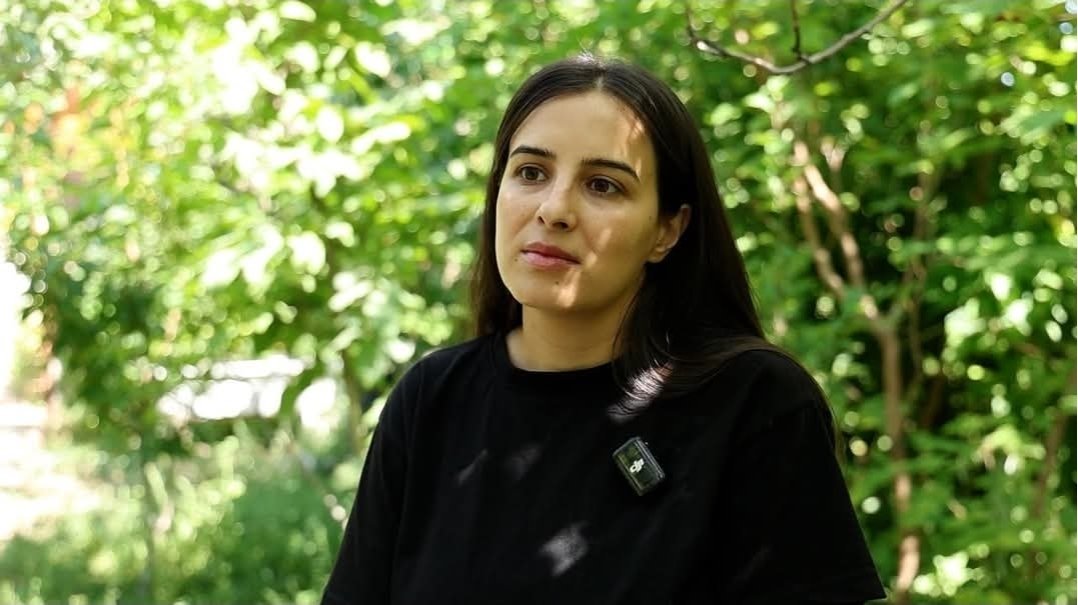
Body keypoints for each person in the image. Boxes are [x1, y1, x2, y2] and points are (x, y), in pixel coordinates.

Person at [321, 55, 887, 604]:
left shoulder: (756, 405)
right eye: (531, 173)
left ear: (667, 230)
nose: (554, 210)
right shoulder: (430, 401)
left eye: (603, 185)